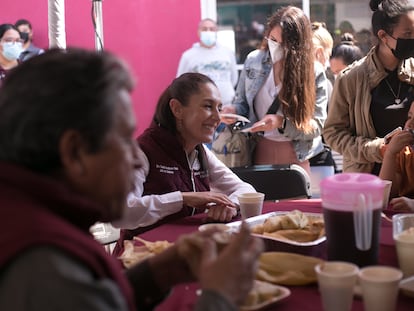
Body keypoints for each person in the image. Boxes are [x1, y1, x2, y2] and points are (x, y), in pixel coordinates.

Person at [0, 48, 264, 311]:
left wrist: (153, 276)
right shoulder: (48, 267)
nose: (136, 158)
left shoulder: (33, 225)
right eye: (124, 140)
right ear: (75, 152)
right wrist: (220, 297)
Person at [112, 72, 256, 254]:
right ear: (177, 109)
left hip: (182, 256)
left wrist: (229, 206)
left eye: (219, 108)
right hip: (140, 262)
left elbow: (246, 190)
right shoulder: (141, 151)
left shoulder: (201, 152)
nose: (217, 117)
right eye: (207, 106)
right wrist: (182, 199)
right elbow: (121, 214)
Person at [222, 6, 328, 176]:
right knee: (261, 202)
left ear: (297, 44)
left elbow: (317, 126)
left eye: (284, 43)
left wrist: (281, 122)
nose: (277, 47)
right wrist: (232, 111)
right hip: (258, 148)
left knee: (295, 203)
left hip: (296, 154)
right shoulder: (253, 60)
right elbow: (241, 102)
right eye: (273, 39)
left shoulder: (312, 71)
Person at [323, 0, 414, 174]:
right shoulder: (351, 79)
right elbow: (333, 134)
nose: (412, 39)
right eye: (408, 33)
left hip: (409, 184)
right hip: (366, 181)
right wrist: (378, 149)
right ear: (383, 36)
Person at [176, 18, 238, 107]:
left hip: (227, 105)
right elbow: (181, 83)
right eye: (204, 29)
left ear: (216, 32)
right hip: (200, 107)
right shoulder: (188, 56)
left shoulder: (227, 52)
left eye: (211, 29)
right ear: (198, 32)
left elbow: (234, 78)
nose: (208, 31)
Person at [379, 100, 414, 211]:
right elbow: (384, 196)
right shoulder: (405, 153)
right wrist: (390, 154)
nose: (410, 124)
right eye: (409, 117)